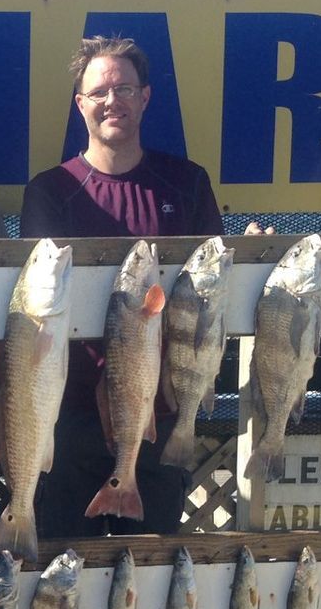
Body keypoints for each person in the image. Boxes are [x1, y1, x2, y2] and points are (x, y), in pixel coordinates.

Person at [19, 35, 225, 541]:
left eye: (125, 89)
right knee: (61, 578)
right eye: (100, 92)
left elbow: (212, 291)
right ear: (80, 104)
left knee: (149, 578)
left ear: (146, 97)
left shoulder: (188, 183)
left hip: (160, 416)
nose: (113, 101)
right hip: (69, 419)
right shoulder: (49, 192)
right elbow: (34, 316)